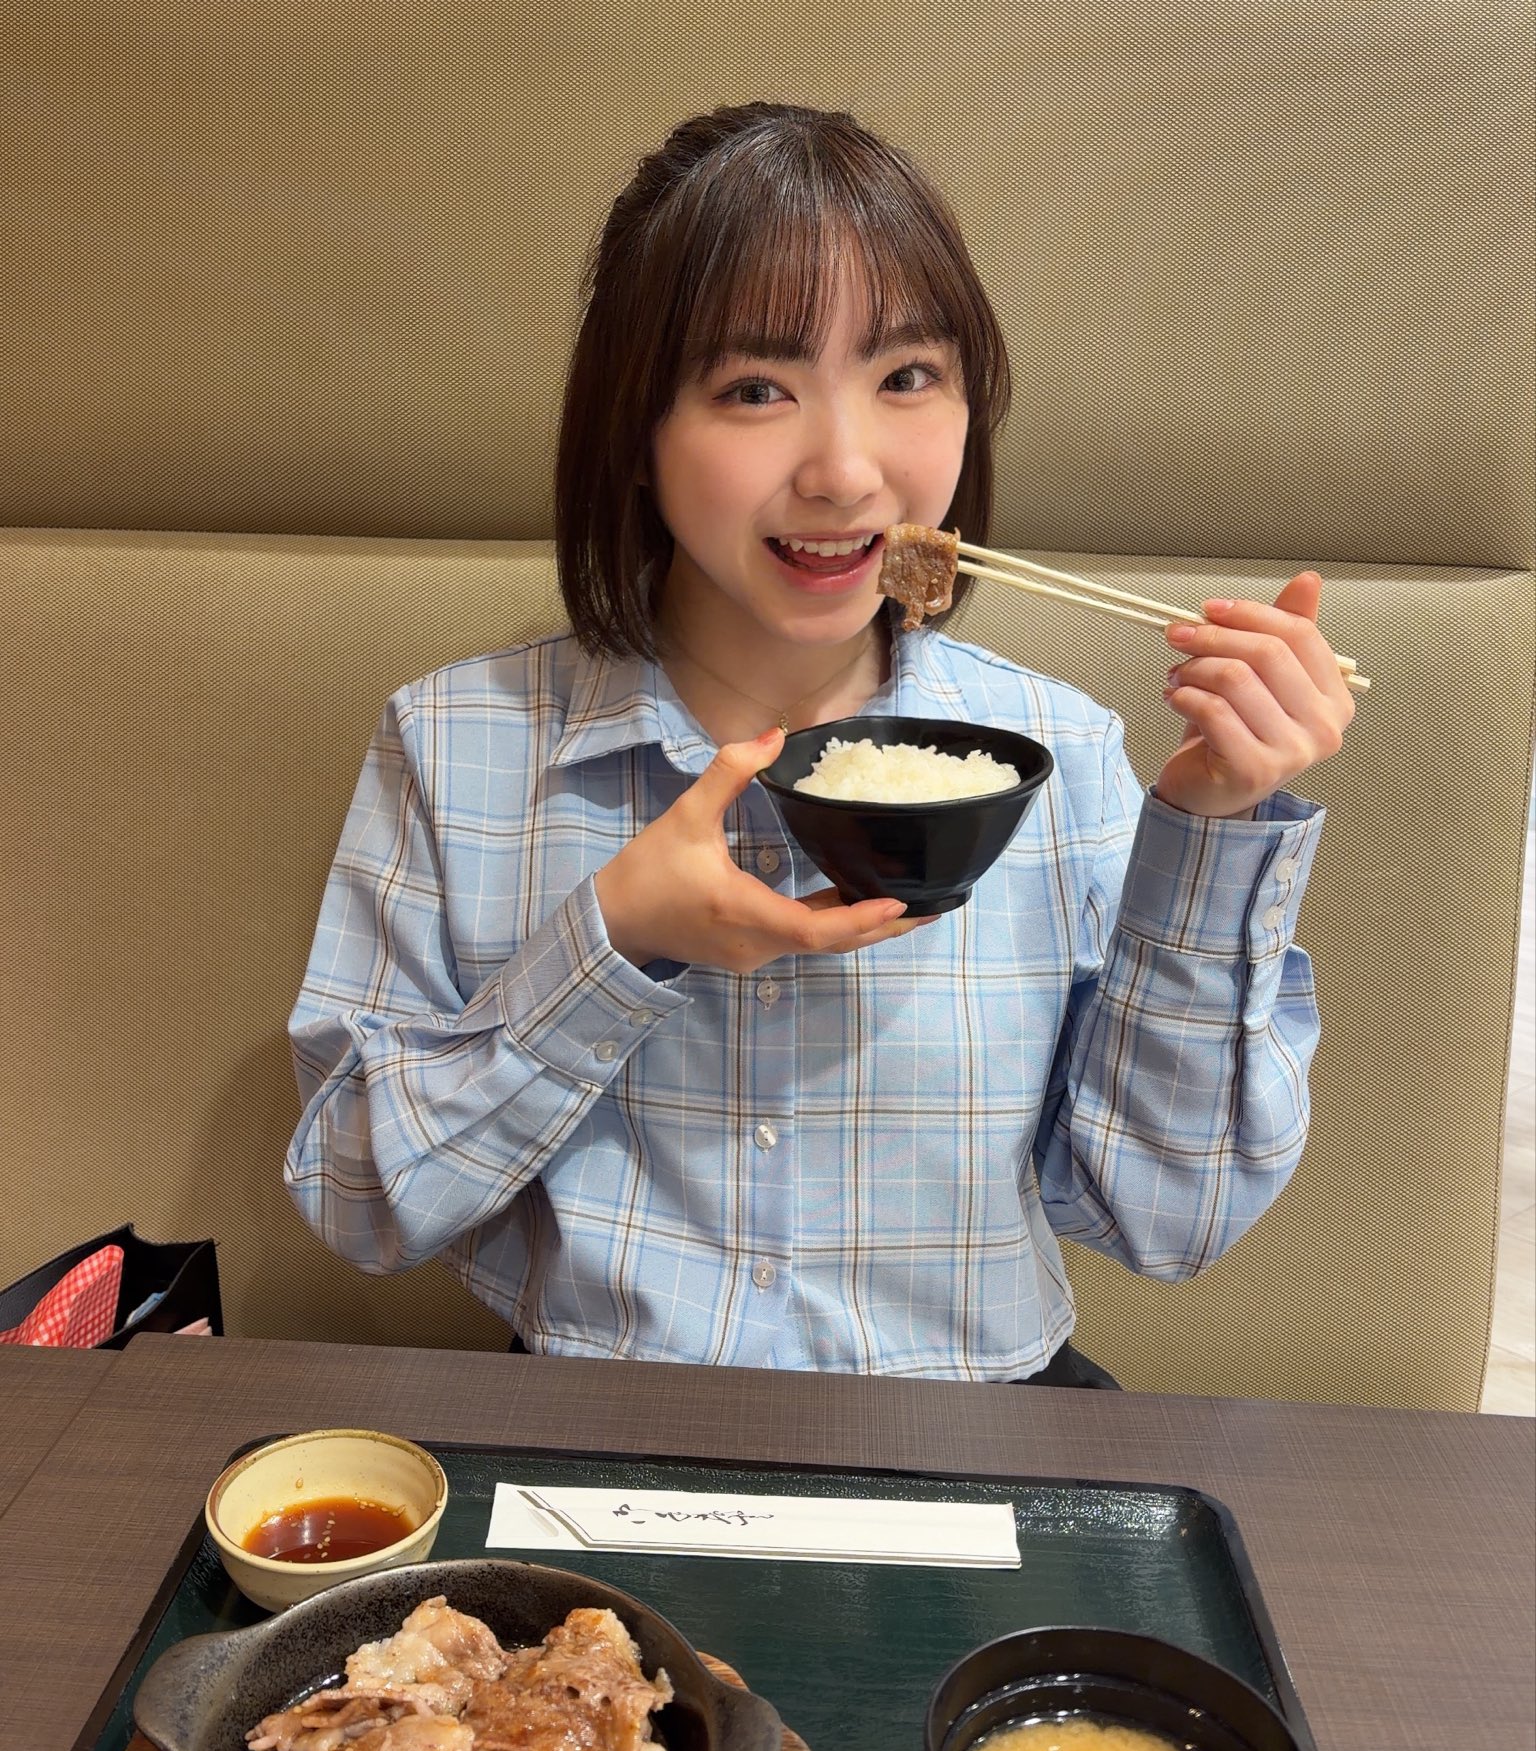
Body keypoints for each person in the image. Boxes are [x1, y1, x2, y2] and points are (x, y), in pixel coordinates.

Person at [285, 103, 1353, 1386]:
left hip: (976, 1431)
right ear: (636, 433)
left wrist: (1211, 831)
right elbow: (358, 1196)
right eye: (756, 389)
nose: (846, 472)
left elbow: (1167, 1218)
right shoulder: (456, 741)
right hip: (605, 1429)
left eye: (906, 377)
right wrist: (615, 941)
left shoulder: (1056, 753)